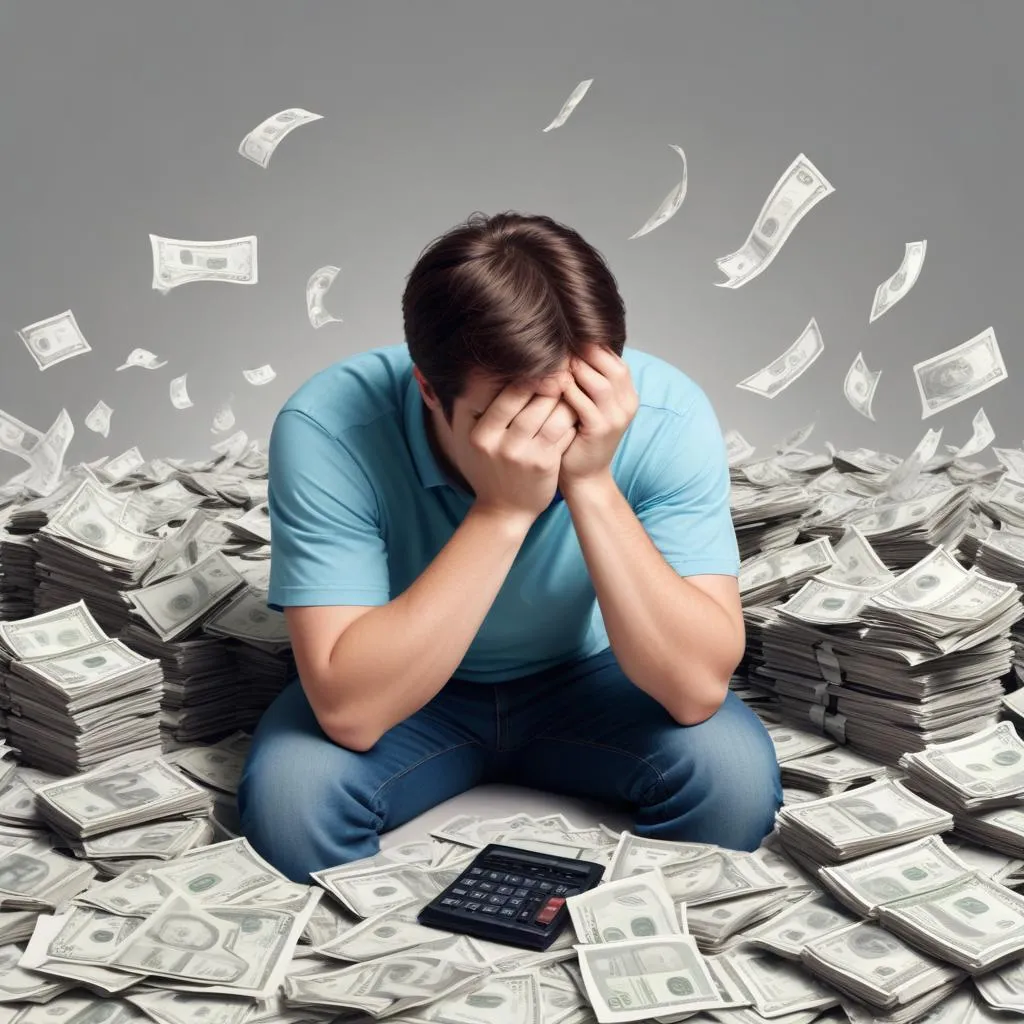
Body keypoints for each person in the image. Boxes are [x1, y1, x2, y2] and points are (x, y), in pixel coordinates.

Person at [237, 211, 782, 883]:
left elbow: (696, 691)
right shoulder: (327, 424)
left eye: (571, 411)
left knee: (733, 786)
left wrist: (592, 483)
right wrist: (502, 511)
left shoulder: (667, 413)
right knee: (291, 810)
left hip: (597, 678)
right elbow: (350, 711)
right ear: (428, 389)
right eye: (506, 418)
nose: (543, 441)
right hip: (408, 688)